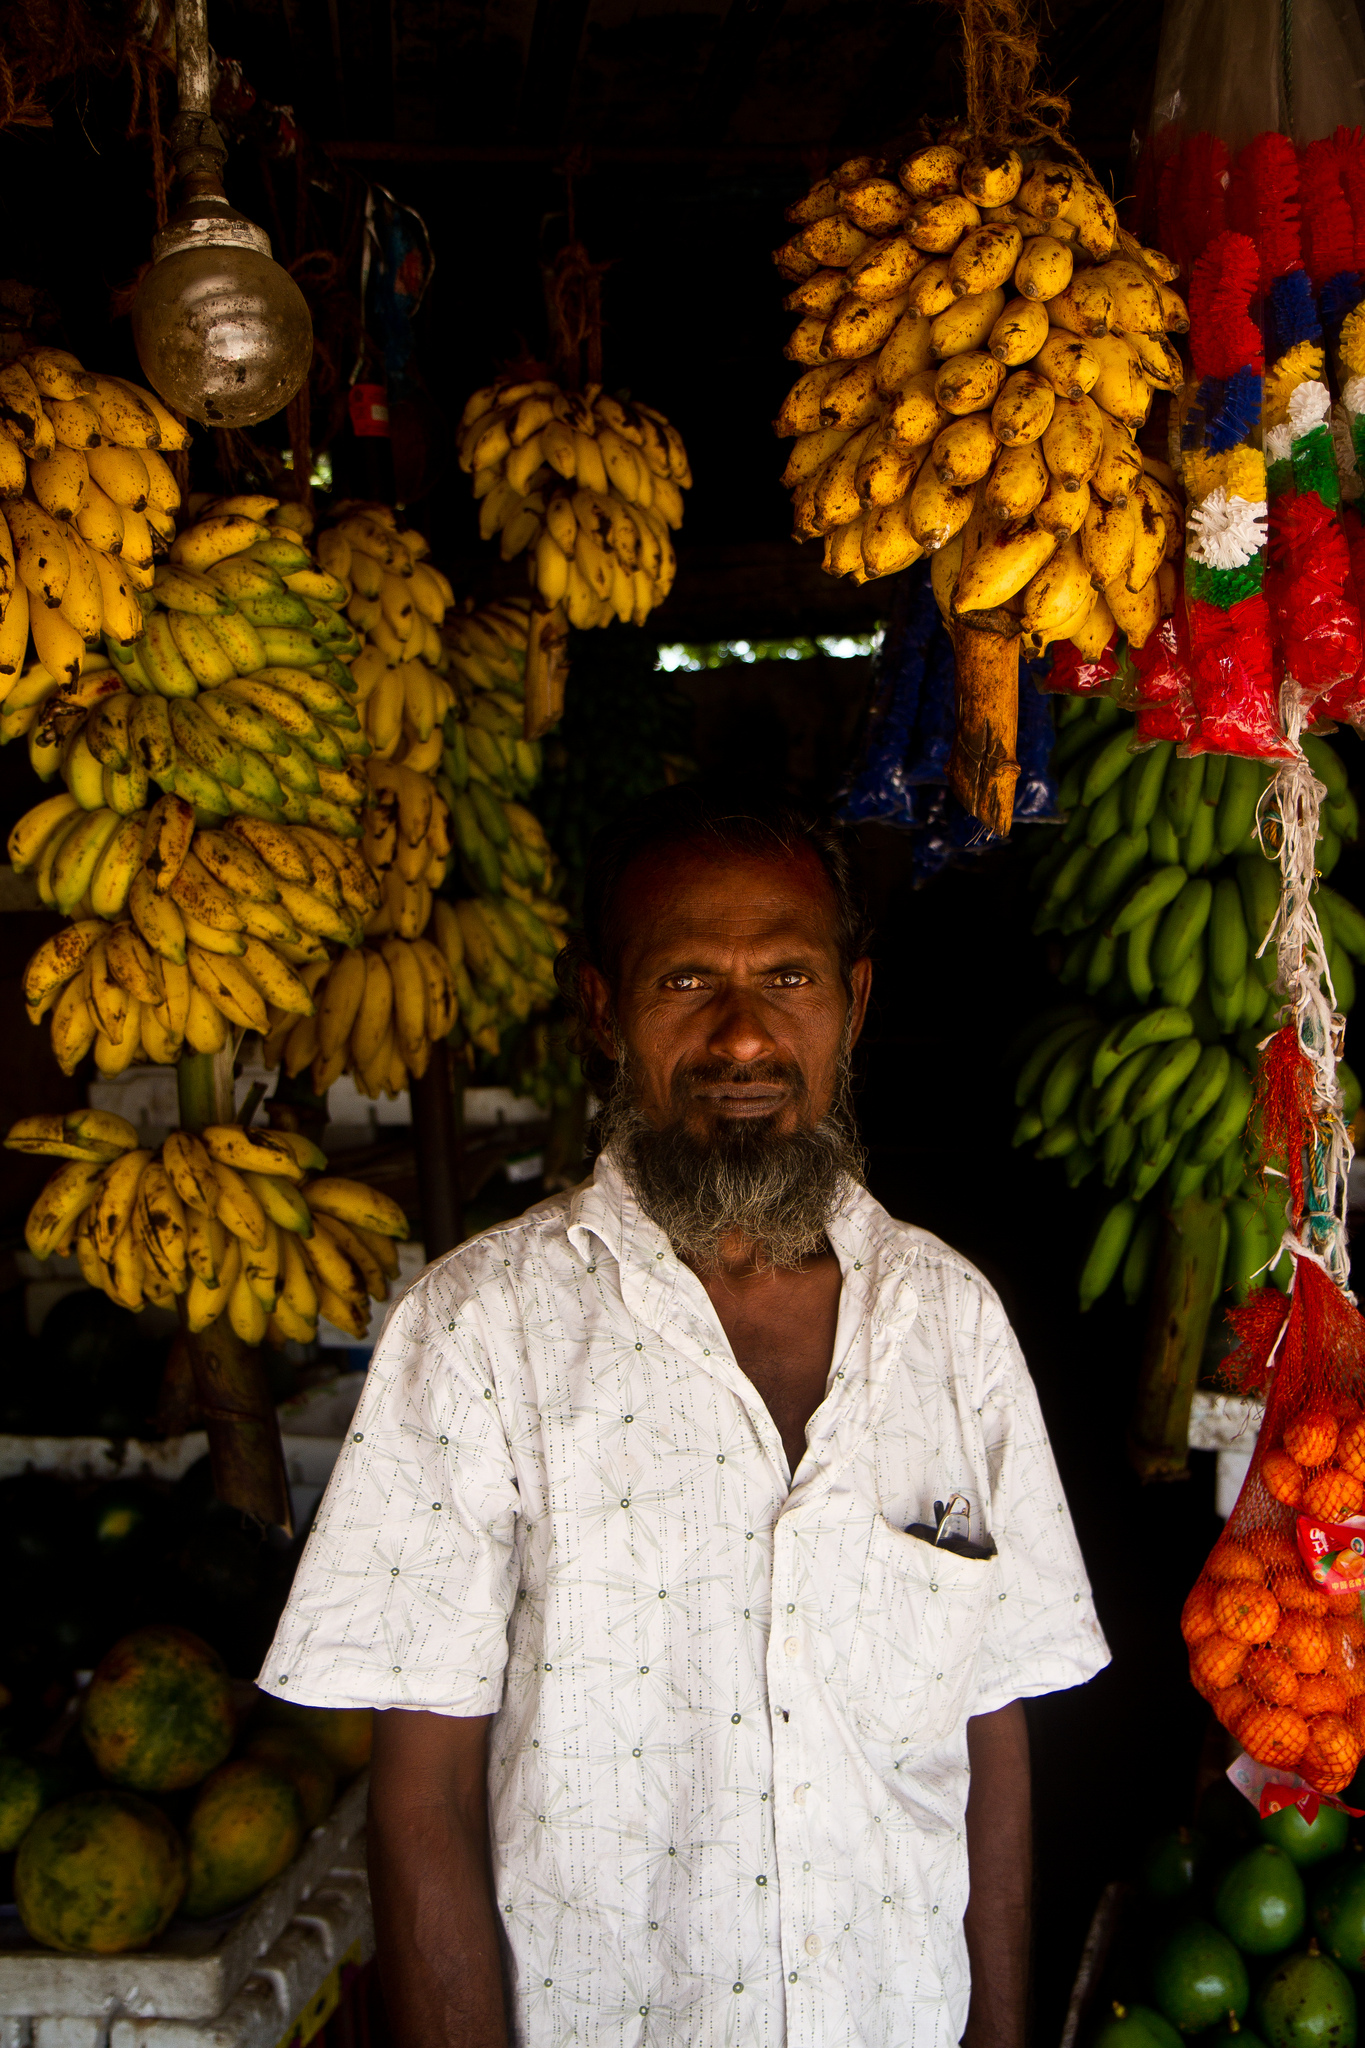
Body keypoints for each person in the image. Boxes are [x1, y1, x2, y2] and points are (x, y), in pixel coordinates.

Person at [262, 787, 1108, 2048]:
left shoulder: (950, 1319)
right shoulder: (481, 1327)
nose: (742, 1034)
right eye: (684, 981)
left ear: (853, 1003)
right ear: (604, 1009)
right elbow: (423, 1794)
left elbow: (993, 1732)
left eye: (787, 975)